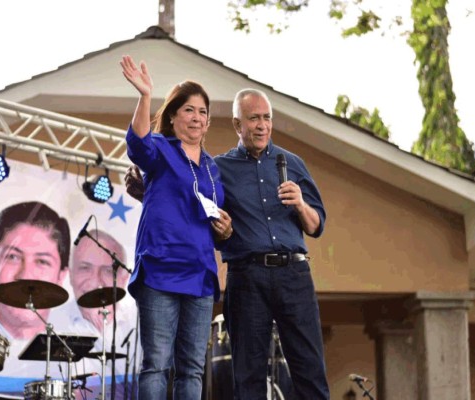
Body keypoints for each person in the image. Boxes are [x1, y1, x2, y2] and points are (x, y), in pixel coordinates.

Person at [125, 88, 330, 400]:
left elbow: (316, 227)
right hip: (246, 277)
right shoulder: (220, 168)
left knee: (309, 371)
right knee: (246, 376)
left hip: (294, 275)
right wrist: (148, 191)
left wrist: (301, 205)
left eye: (267, 118)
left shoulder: (291, 163)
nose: (262, 125)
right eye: (254, 119)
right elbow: (190, 202)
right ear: (237, 124)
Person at [120, 55, 232, 400]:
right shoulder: (161, 150)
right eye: (189, 110)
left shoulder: (214, 169)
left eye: (202, 112)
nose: (197, 118)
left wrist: (224, 231)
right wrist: (144, 96)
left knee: (193, 368)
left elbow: (214, 220)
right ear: (173, 116)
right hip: (161, 268)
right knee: (157, 363)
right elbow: (137, 143)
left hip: (200, 274)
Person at [0, 201, 71, 395]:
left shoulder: (74, 364)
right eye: (12, 256)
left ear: (61, 275)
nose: (26, 274)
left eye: (42, 261)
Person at [65, 229, 139, 398]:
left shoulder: (139, 322)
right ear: (70, 275)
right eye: (85, 268)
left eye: (107, 270)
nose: (96, 280)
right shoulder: (53, 320)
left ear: (124, 278)